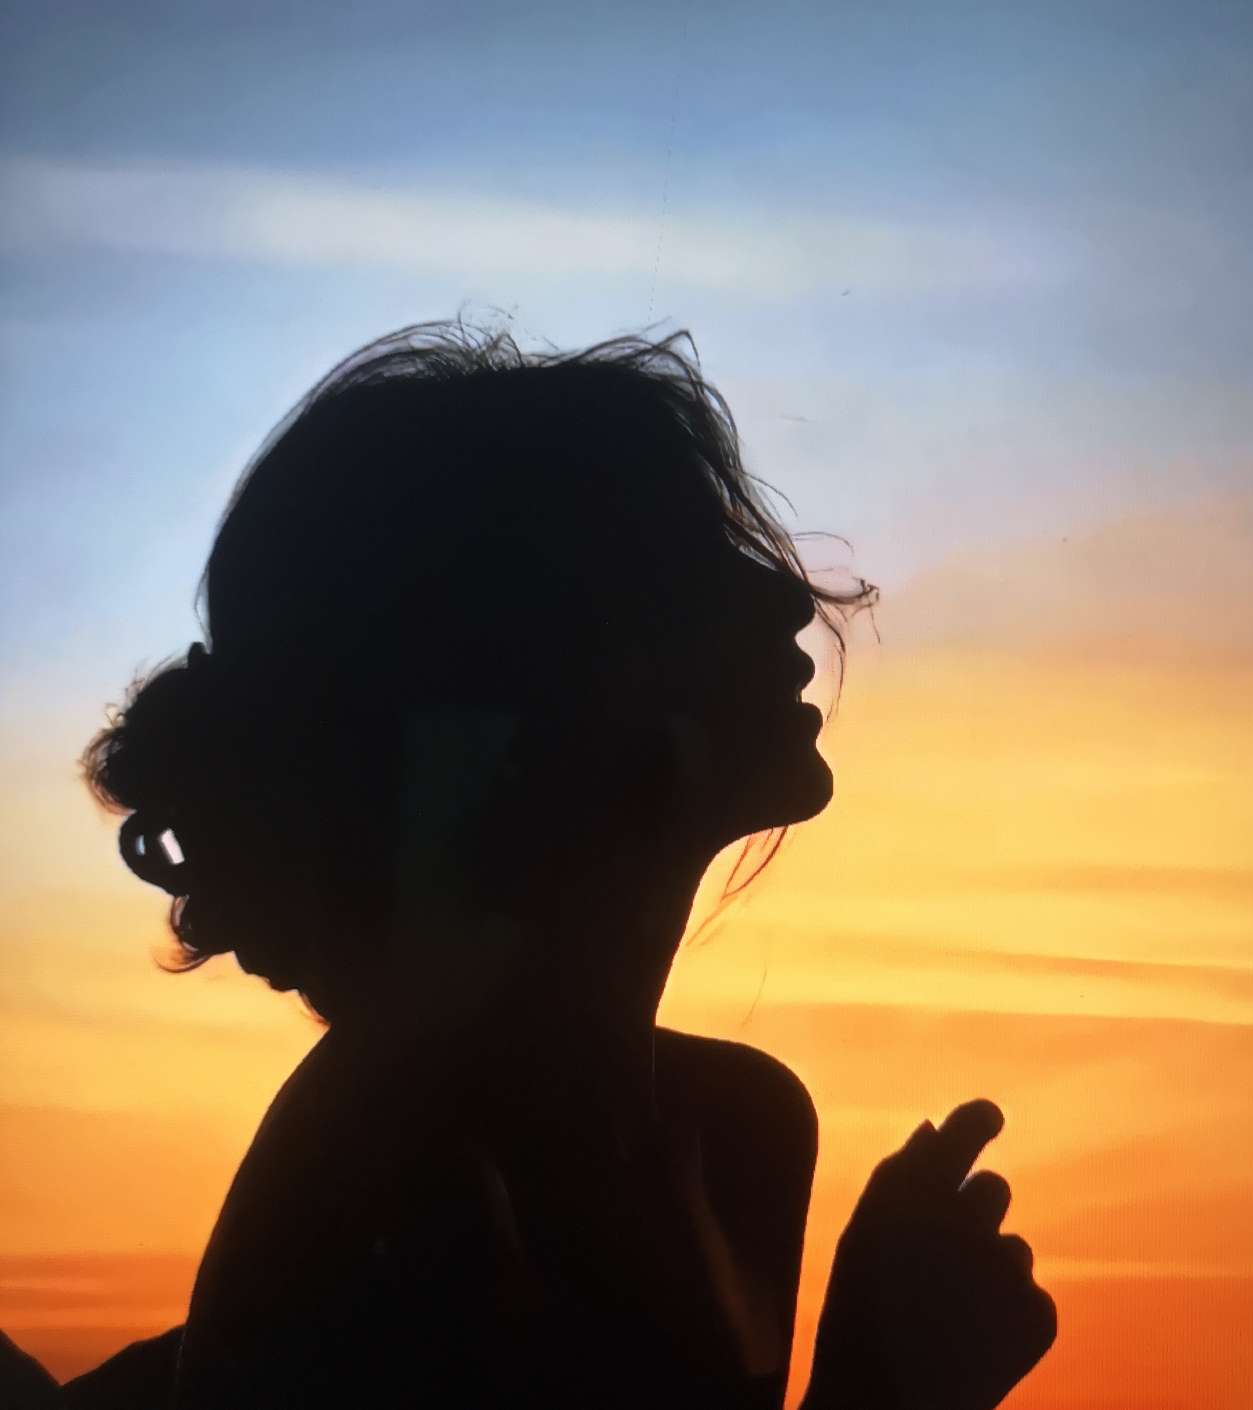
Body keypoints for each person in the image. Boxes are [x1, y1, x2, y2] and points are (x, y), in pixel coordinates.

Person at [55, 320, 1055, 1408]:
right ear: (534, 666)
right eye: (686, 563)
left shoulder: (740, 1129)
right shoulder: (391, 1189)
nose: (782, 597)